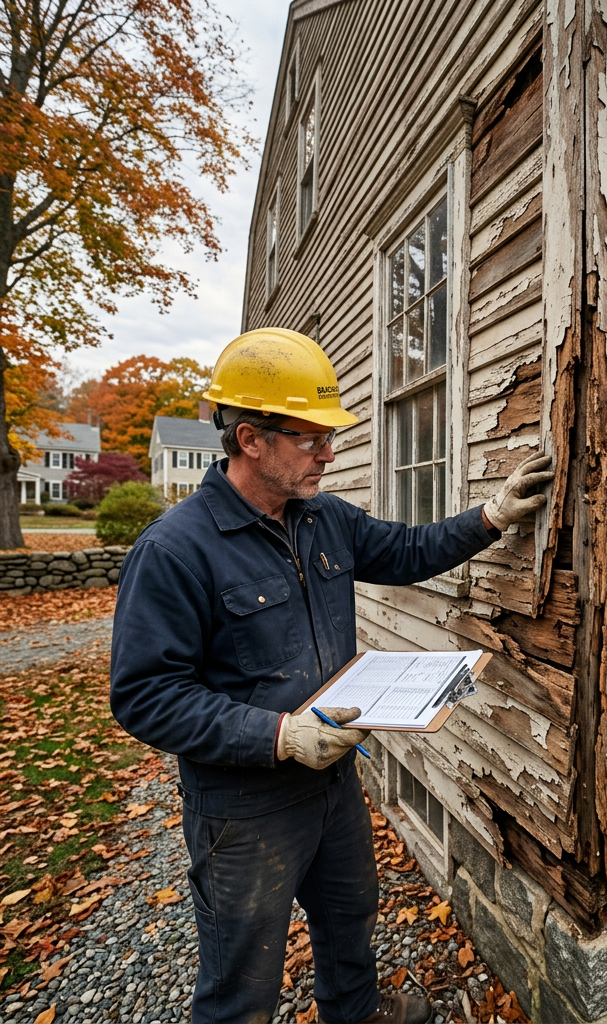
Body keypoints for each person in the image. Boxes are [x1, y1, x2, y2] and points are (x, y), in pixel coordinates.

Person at [109, 328, 554, 1024]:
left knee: (351, 915)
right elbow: (145, 695)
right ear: (251, 438)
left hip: (332, 780)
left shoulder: (323, 519)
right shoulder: (174, 549)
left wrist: (490, 517)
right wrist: (280, 734)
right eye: (311, 437)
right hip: (243, 805)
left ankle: (356, 1012)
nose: (330, 451)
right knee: (241, 978)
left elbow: (407, 552)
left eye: (329, 435)